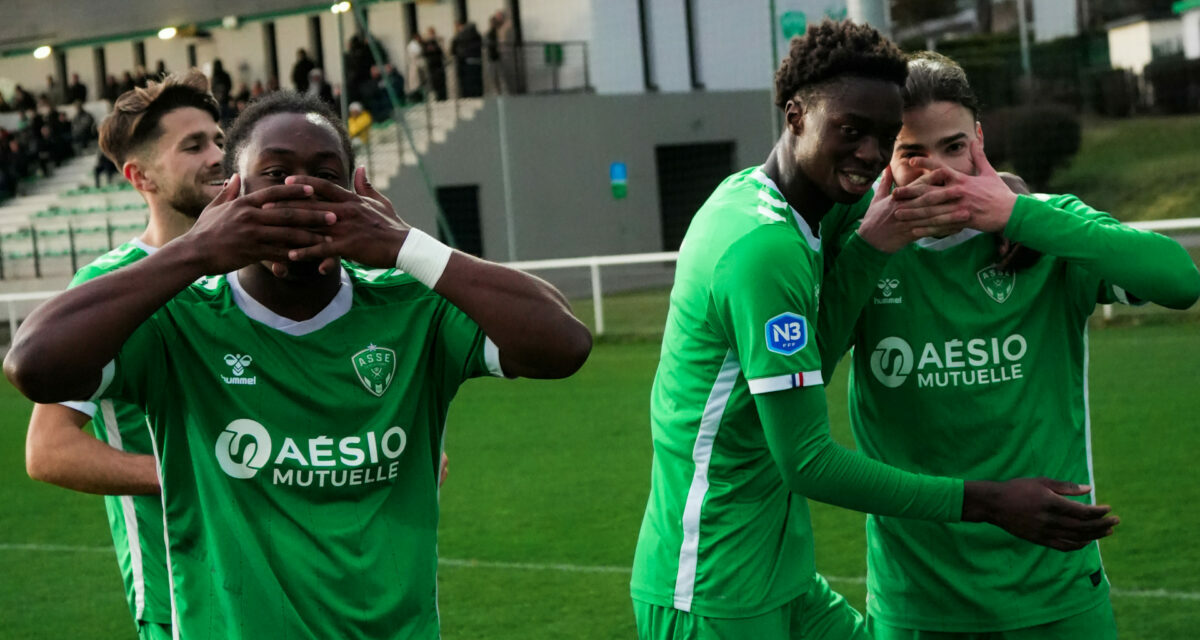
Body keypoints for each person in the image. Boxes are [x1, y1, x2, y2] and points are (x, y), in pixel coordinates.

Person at [5, 90, 592, 639]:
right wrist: (197, 251)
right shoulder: (179, 317)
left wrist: (405, 244)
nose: (302, 191)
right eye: (276, 173)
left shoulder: (408, 304)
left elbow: (563, 345)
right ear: (228, 193)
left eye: (327, 177)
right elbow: (34, 364)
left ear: (359, 192)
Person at [629, 21, 1118, 640]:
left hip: (779, 575)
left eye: (883, 137)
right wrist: (989, 502)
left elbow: (818, 352)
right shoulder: (765, 248)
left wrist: (1006, 201)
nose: (867, 152)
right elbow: (807, 460)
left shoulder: (770, 206)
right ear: (796, 113)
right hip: (711, 587)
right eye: (850, 130)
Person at [833, 51, 1200, 640]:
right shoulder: (860, 249)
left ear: (979, 139)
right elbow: (804, 369)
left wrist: (1018, 214)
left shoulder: (1044, 229)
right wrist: (868, 251)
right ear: (884, 158)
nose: (938, 172)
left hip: (1057, 600)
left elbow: (1180, 282)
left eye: (954, 147)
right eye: (912, 153)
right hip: (917, 607)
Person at [24, 70, 225, 640]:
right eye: (193, 146)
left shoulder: (254, 271)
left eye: (217, 139)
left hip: (285, 574)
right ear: (141, 176)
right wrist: (198, 475)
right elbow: (48, 450)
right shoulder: (108, 289)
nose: (217, 155)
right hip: (181, 590)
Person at [422, 27, 447, 101]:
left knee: (441, 81)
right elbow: (424, 53)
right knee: (434, 82)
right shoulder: (426, 43)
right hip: (432, 65)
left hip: (439, 64)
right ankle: (437, 97)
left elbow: (442, 52)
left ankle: (442, 96)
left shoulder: (437, 41)